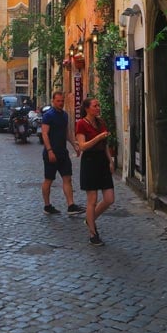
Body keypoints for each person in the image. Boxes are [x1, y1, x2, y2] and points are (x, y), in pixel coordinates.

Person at [76, 98, 115, 246]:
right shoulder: (81, 124)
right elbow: (83, 146)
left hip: (102, 162)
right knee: (92, 199)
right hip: (90, 162)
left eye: (98, 105)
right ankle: (93, 233)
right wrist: (98, 137)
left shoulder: (101, 122)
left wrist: (110, 161)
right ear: (87, 109)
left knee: (109, 198)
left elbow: (105, 146)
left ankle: (89, 219)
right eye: (95, 106)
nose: (98, 108)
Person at [40, 91, 84, 216]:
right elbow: (44, 134)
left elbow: (66, 133)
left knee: (67, 178)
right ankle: (47, 205)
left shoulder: (65, 115)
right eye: (58, 101)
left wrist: (74, 145)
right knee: (49, 180)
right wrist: (49, 151)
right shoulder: (48, 116)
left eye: (62, 101)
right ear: (53, 101)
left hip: (63, 153)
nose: (61, 103)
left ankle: (71, 205)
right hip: (51, 153)